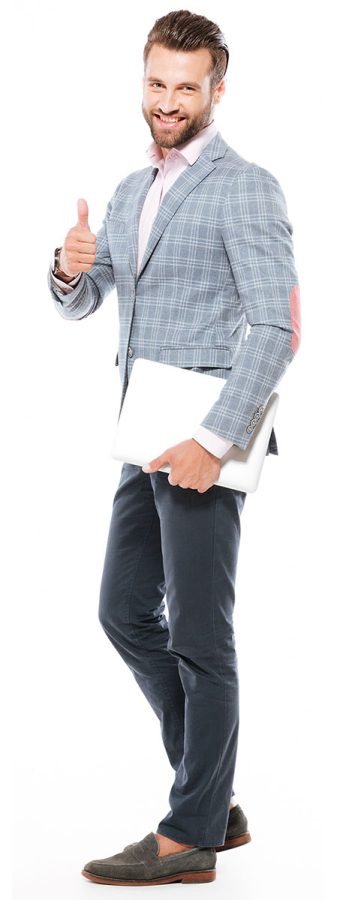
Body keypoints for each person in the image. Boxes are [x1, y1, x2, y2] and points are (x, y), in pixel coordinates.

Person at [47, 9, 301, 887]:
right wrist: (71, 268)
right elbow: (89, 304)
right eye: (156, 83)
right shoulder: (128, 189)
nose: (167, 101)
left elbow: (275, 329)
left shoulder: (246, 186)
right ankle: (212, 796)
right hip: (139, 434)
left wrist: (212, 439)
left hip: (201, 438)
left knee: (199, 635)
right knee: (124, 612)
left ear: (215, 92)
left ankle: (191, 833)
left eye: (185, 87)